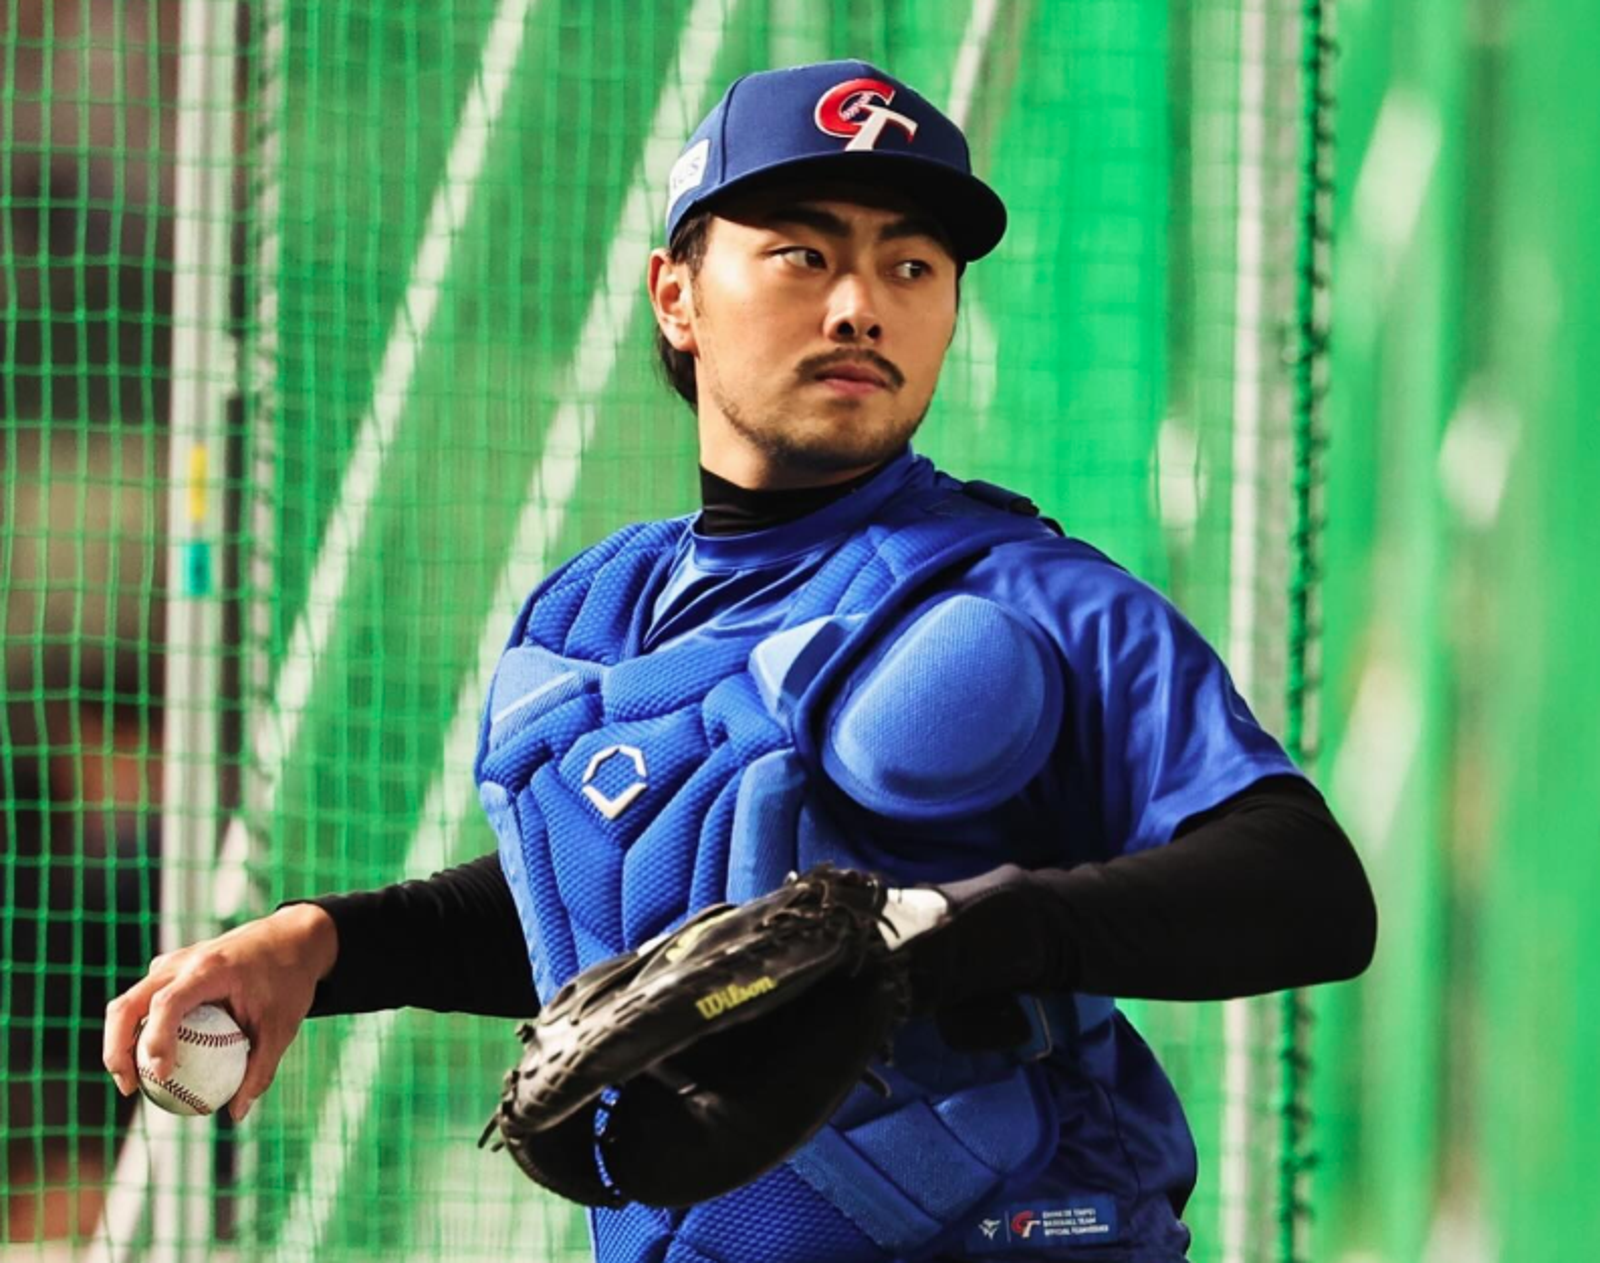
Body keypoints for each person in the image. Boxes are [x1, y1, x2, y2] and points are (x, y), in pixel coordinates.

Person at [105, 61, 1375, 1262]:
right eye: (803, 254)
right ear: (677, 295)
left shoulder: (1030, 600)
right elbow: (623, 903)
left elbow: (1305, 887)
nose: (860, 305)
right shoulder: (594, 614)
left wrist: (950, 934)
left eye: (912, 265)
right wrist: (324, 944)